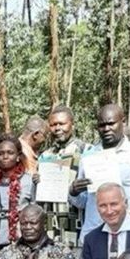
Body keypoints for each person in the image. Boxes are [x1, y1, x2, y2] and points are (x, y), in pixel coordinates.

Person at [70, 104, 130, 242]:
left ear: (123, 122)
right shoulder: (89, 157)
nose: (106, 129)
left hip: (128, 234)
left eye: (111, 124)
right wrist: (74, 192)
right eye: (102, 125)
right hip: (94, 235)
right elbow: (83, 202)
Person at [40, 105, 88, 247]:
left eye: (62, 123)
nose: (57, 128)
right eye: (53, 125)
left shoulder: (85, 150)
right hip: (51, 225)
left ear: (72, 125)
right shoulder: (45, 156)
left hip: (78, 221)